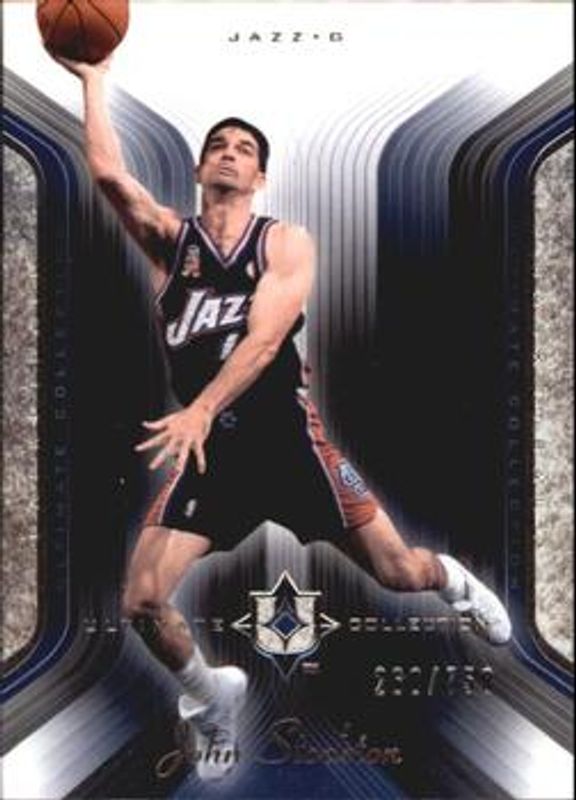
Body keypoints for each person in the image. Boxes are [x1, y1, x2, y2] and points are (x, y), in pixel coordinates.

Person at [55, 54, 512, 783]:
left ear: (259, 176)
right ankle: (211, 697)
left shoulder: (284, 242)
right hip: (215, 455)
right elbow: (110, 175)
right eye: (218, 145)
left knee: (399, 572)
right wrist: (93, 80)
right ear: (200, 168)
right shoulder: (171, 243)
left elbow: (265, 341)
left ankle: (452, 581)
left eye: (244, 149)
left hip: (288, 445)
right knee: (141, 600)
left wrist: (200, 407)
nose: (229, 153)